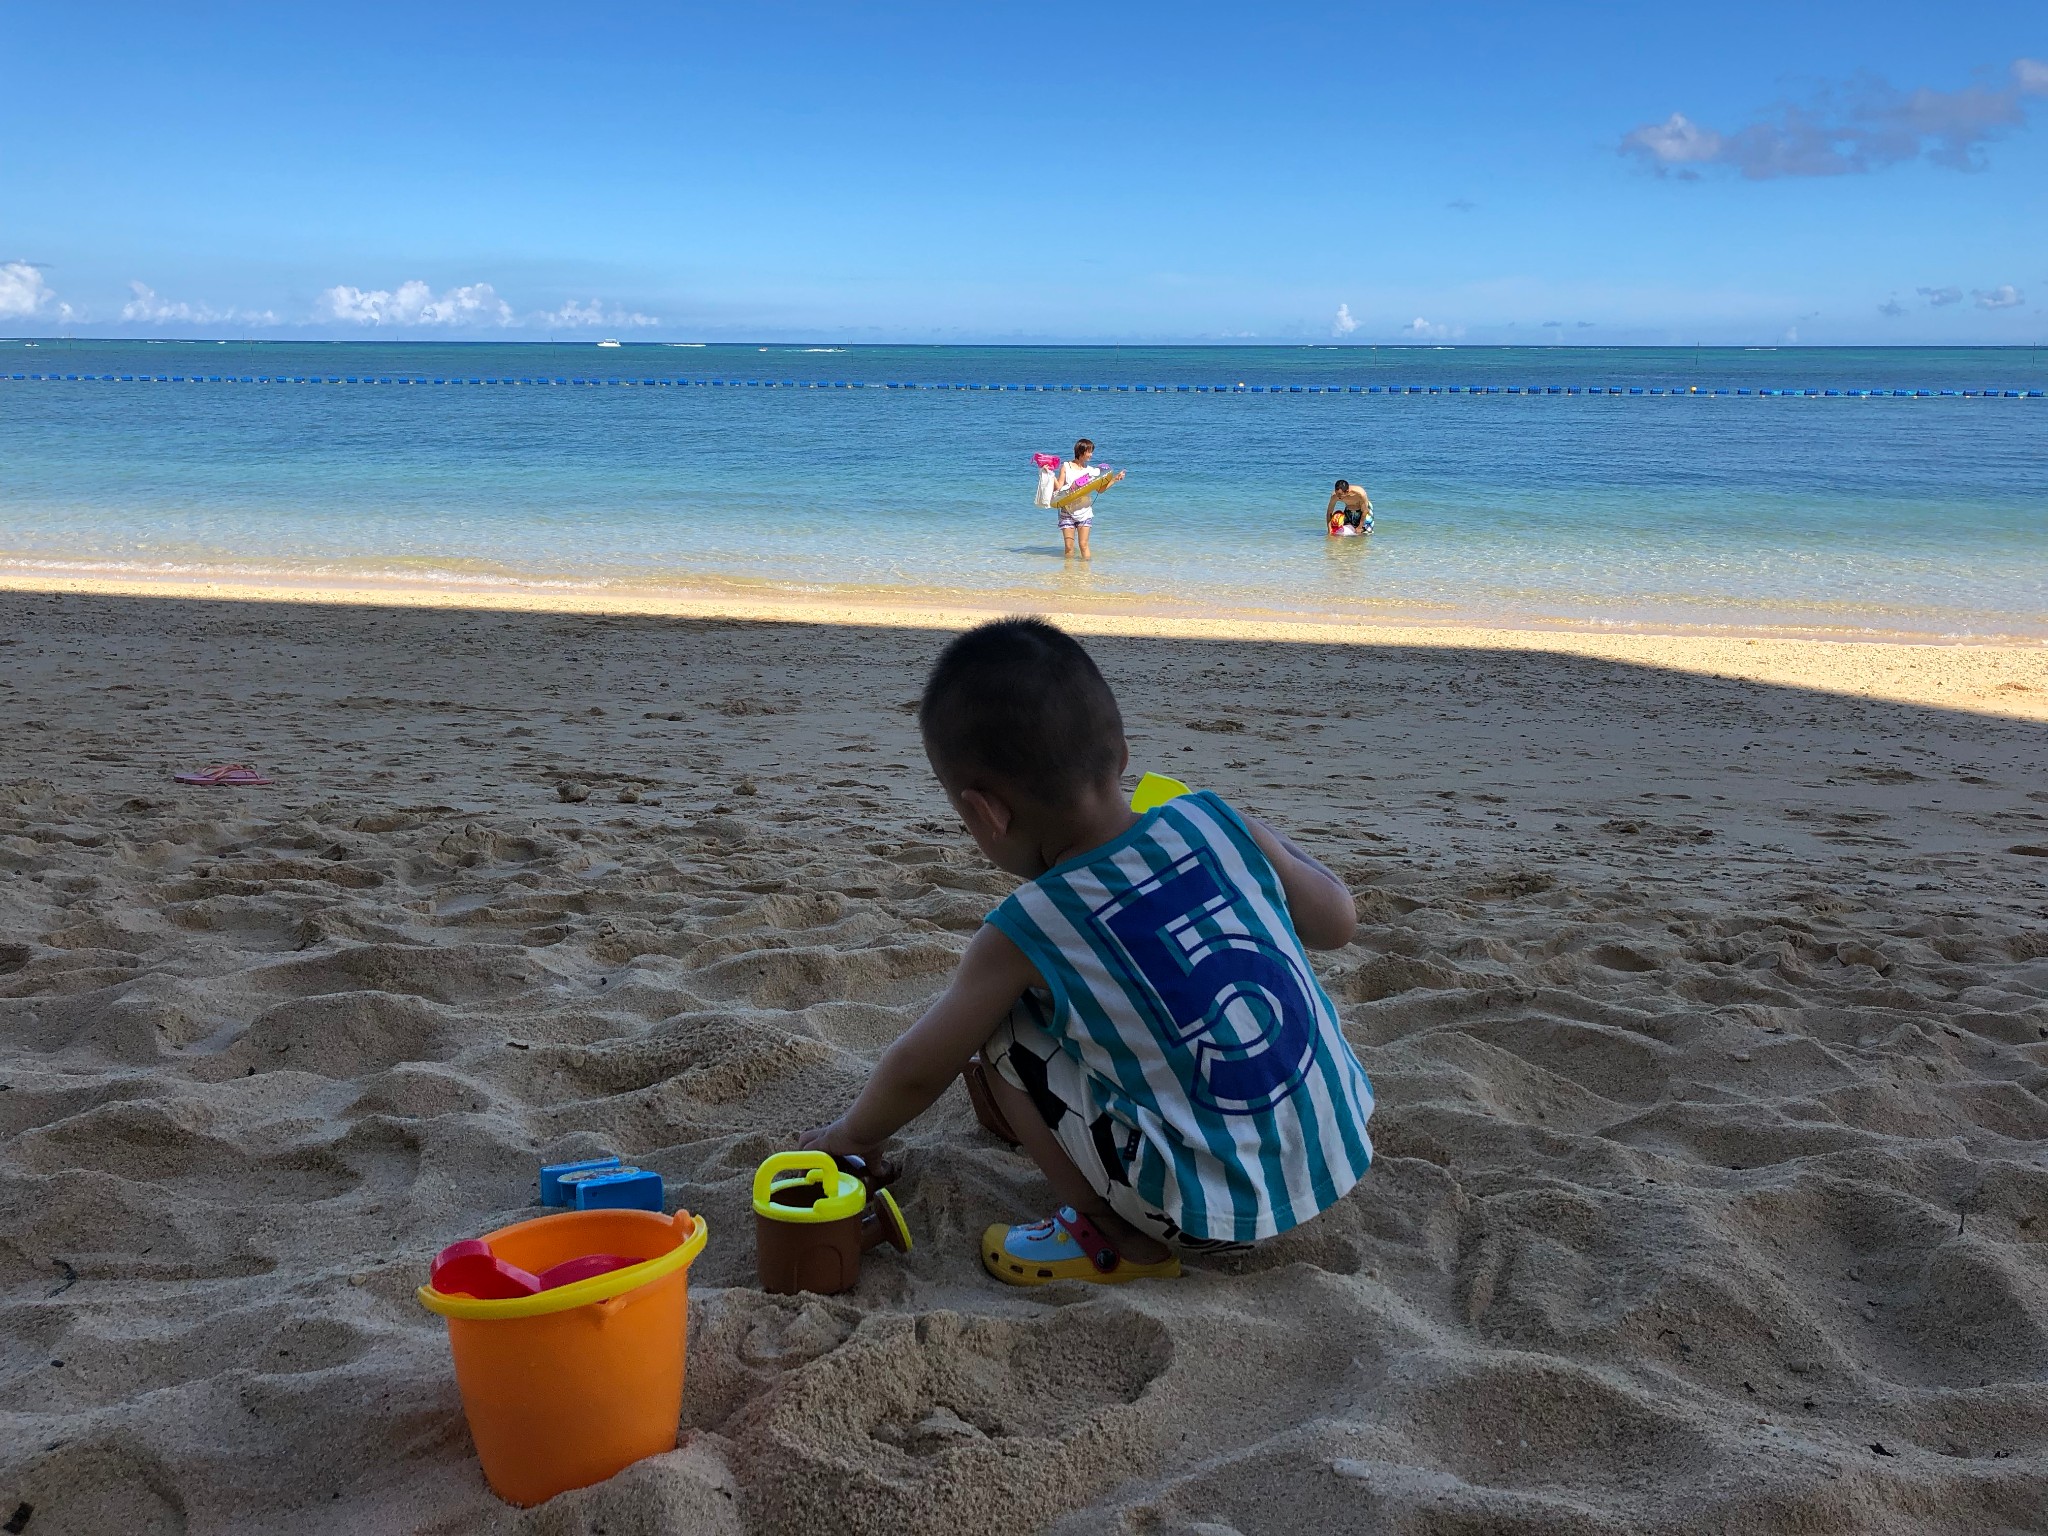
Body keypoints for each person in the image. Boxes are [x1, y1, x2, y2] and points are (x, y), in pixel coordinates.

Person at [803, 618, 1376, 1285]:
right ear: (1122, 753)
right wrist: (1252, 840)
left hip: (1200, 1211)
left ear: (987, 814)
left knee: (999, 1030)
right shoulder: (1213, 817)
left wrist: (850, 1137)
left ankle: (1113, 1238)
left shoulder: (1032, 922)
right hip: (1335, 1149)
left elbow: (916, 1070)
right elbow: (1337, 921)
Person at [1054, 439, 1123, 559]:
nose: (1091, 455)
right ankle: (1068, 575)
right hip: (1066, 512)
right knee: (1069, 547)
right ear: (1081, 451)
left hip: (1084, 512)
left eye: (1091, 452)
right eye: (1089, 452)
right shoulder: (1066, 466)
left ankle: (1086, 575)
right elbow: (1059, 487)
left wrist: (1115, 479)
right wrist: (1049, 474)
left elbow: (1100, 490)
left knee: (1083, 545)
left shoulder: (1091, 471)